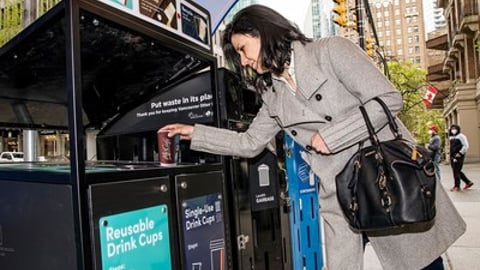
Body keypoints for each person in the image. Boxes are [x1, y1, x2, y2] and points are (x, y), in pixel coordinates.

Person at [159, 5, 465, 269]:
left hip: (386, 178)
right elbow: (249, 143)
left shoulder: (331, 51)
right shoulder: (273, 94)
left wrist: (331, 136)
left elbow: (388, 99)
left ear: (262, 32)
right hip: (340, 194)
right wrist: (194, 133)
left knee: (420, 263)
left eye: (242, 49)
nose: (244, 61)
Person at [449, 124, 474, 191]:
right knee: (457, 171)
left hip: (459, 156)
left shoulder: (461, 136)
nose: (453, 130)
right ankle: (468, 182)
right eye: (452, 129)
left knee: (456, 171)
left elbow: (466, 146)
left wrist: (460, 153)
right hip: (452, 156)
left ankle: (457, 186)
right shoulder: (451, 137)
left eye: (455, 128)